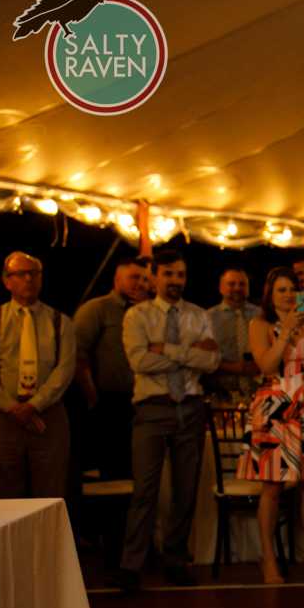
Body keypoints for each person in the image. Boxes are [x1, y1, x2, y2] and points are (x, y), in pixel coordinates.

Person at [117, 247, 220, 589]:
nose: (175, 281)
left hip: (190, 407)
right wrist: (190, 355)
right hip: (152, 407)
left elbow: (212, 362)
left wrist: (167, 350)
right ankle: (132, 565)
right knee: (145, 490)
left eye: (180, 275)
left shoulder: (199, 315)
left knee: (185, 490)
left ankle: (176, 560)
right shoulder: (138, 316)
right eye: (169, 274)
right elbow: (139, 362)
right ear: (155, 277)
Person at [241, 265, 304, 583]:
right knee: (272, 485)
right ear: (270, 294)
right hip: (275, 402)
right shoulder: (259, 324)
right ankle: (268, 558)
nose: (288, 295)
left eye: (292, 289)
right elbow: (266, 364)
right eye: (281, 289)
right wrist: (286, 332)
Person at [0, 250, 77, 499]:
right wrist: (11, 407)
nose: (28, 279)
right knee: (4, 492)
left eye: (33, 274)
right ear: (7, 281)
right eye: (20, 274)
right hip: (2, 416)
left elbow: (65, 370)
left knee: (50, 491)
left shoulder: (60, 321)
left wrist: (34, 405)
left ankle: (49, 539)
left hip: (48, 416)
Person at [72, 256, 152, 495]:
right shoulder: (97, 309)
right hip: (111, 402)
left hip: (146, 400)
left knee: (141, 471)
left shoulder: (149, 312)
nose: (139, 283)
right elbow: (77, 353)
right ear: (118, 279)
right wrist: (92, 395)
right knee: (115, 476)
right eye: (133, 277)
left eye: (144, 278)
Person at [209, 267, 255, 384]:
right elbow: (200, 358)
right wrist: (232, 367)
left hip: (259, 388)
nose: (237, 288)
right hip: (221, 389)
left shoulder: (260, 315)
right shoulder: (207, 318)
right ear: (221, 288)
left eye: (242, 284)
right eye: (231, 284)